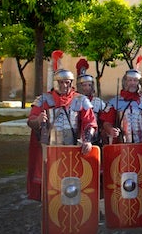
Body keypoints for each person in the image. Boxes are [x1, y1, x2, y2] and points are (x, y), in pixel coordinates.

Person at [26, 52, 97, 201]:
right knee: (51, 184)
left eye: (68, 82)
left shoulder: (80, 100)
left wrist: (88, 140)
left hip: (73, 148)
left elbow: (90, 123)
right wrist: (38, 120)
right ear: (55, 82)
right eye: (62, 82)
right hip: (50, 149)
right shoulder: (43, 99)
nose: (65, 85)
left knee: (73, 185)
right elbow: (30, 121)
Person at [102, 56, 142, 144]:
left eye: (135, 80)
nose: (132, 83)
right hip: (121, 146)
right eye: (129, 80)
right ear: (125, 82)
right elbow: (107, 122)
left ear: (139, 83)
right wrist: (111, 130)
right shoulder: (114, 102)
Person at [76, 58, 107, 147]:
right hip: (75, 140)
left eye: (89, 85)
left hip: (95, 140)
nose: (87, 88)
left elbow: (104, 122)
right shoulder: (74, 101)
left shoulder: (98, 103)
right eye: (84, 85)